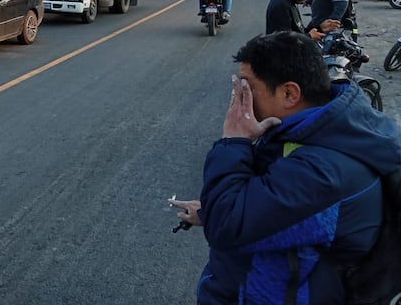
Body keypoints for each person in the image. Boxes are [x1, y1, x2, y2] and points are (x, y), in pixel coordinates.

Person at [170, 31, 401, 304]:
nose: (238, 97)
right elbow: (278, 206)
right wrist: (214, 208)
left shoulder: (324, 171)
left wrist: (233, 141)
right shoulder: (319, 130)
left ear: (289, 93)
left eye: (246, 87)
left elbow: (227, 227)